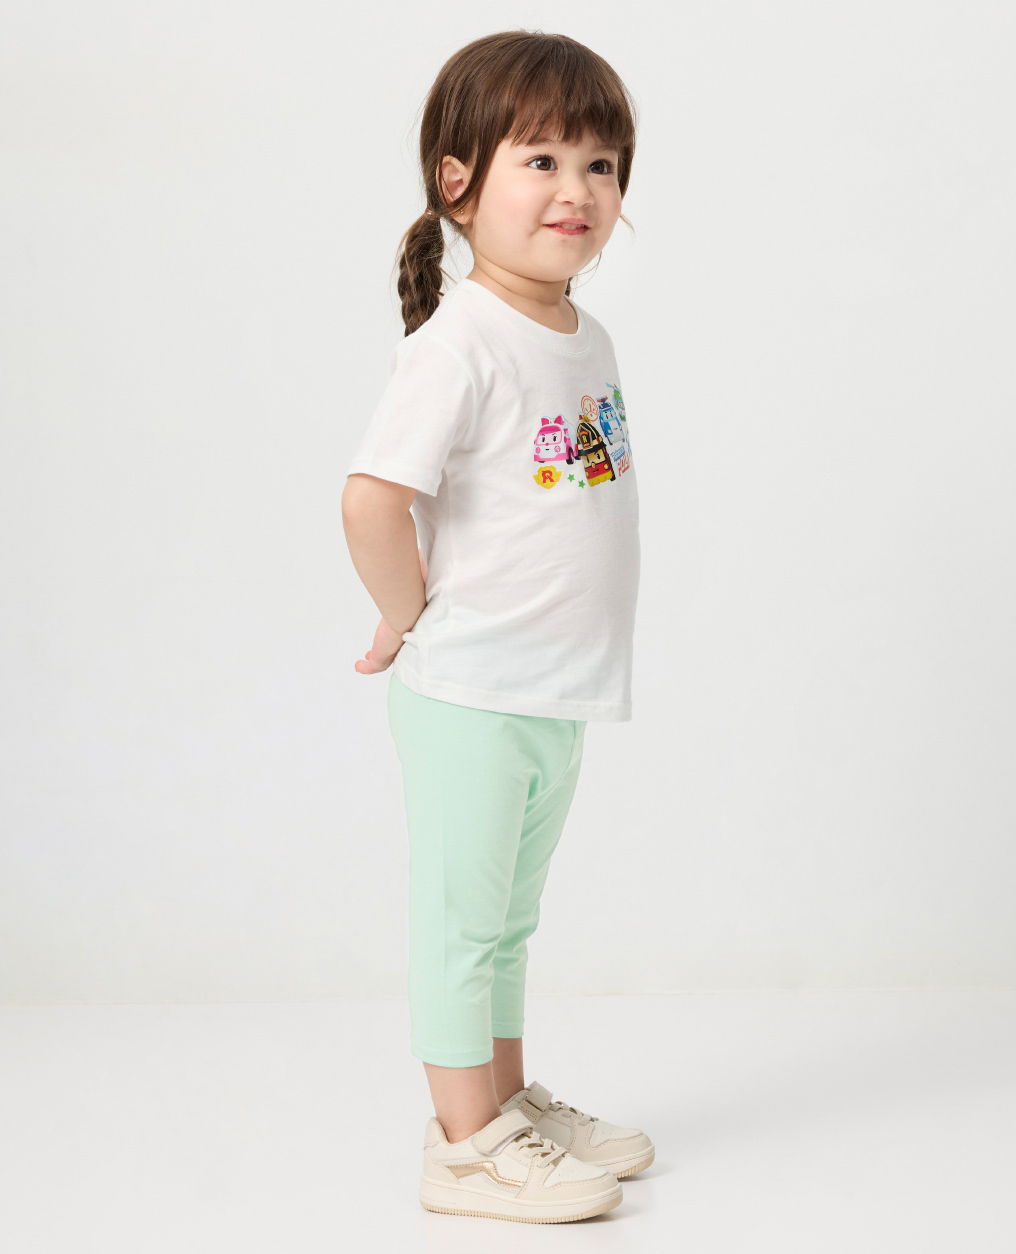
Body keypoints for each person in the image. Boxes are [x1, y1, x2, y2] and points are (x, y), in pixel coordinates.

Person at [342, 30, 652, 1223]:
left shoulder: (585, 337)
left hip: (552, 691)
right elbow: (372, 499)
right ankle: (463, 1144)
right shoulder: (458, 342)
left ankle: (507, 1105)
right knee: (462, 928)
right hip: (472, 691)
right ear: (457, 182)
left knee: (510, 924)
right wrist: (404, 613)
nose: (578, 189)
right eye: (542, 159)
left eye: (601, 163)